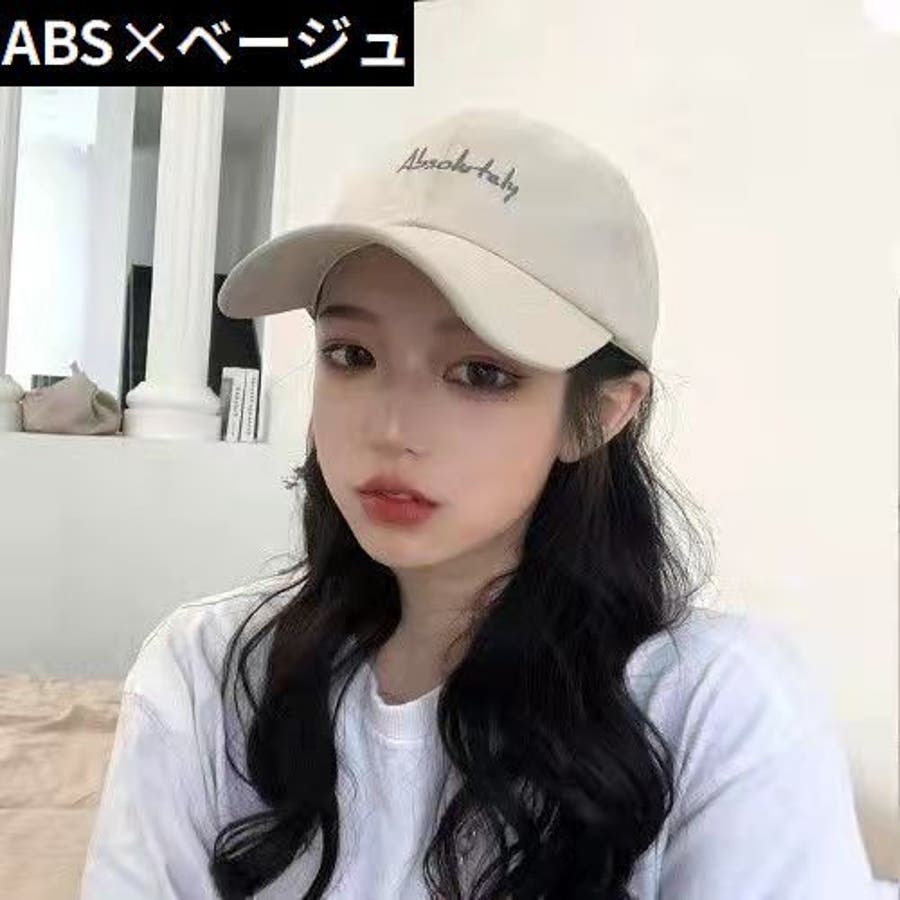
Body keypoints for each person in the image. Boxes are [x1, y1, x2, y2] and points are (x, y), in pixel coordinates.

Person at [80, 107, 879, 899]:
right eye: (351, 355)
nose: (391, 429)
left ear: (602, 413)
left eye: (480, 373)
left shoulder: (715, 705)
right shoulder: (207, 674)